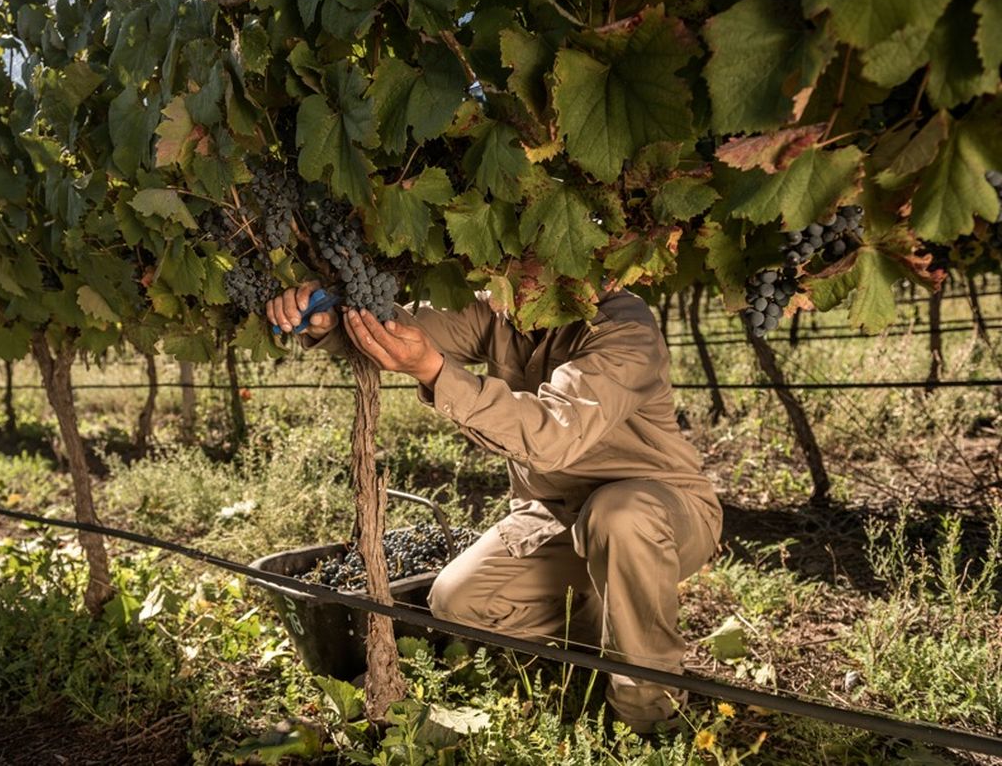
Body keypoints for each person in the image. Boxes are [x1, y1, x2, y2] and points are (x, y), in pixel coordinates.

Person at [265, 280, 722, 734]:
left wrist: (435, 371)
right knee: (459, 601)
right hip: (556, 517)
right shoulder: (507, 306)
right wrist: (334, 320)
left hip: (661, 513)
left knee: (619, 516)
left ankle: (650, 720)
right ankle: (624, 629)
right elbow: (405, 330)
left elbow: (552, 434)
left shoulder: (625, 328)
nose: (513, 271)